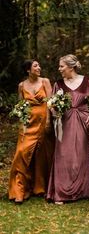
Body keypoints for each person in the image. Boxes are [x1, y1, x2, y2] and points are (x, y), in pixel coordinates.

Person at [46, 54, 89, 204]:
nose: (59, 69)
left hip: (83, 120)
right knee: (64, 154)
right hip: (64, 122)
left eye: (62, 66)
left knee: (81, 153)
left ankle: (83, 190)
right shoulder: (58, 84)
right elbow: (52, 104)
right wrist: (54, 111)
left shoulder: (87, 81)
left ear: (71, 66)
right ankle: (62, 191)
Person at [9, 59, 53, 204]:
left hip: (42, 122)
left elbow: (51, 102)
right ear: (28, 70)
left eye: (39, 65)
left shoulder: (45, 81)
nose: (39, 67)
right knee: (21, 153)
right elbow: (20, 106)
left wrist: (48, 121)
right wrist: (22, 124)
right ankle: (20, 190)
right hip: (28, 124)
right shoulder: (21, 85)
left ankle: (39, 188)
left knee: (41, 155)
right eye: (35, 66)